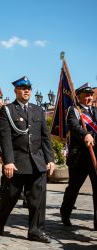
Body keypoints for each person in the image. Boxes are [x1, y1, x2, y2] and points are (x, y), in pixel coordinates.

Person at [0, 76, 55, 243]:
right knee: (10, 197)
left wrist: (50, 159)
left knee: (38, 199)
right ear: (15, 90)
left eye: (28, 87)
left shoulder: (38, 110)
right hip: (17, 163)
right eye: (22, 87)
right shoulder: (7, 110)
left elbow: (45, 137)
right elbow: (4, 138)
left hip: (37, 162)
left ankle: (35, 231)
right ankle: (0, 220)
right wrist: (8, 161)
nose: (26, 90)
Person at [60, 83, 97, 230]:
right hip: (79, 158)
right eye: (86, 95)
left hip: (95, 156)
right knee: (73, 188)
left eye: (91, 95)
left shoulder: (95, 110)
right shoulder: (73, 110)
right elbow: (74, 126)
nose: (89, 97)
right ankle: (65, 213)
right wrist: (85, 134)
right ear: (79, 96)